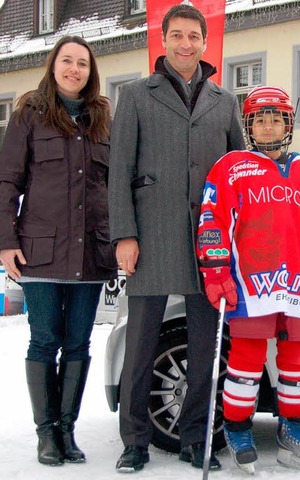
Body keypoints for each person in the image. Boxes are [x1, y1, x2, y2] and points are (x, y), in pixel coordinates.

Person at [108, 4, 245, 474]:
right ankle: (135, 442)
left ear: (206, 43)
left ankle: (194, 437)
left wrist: (239, 235)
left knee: (206, 348)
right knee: (141, 347)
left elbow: (239, 174)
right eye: (177, 36)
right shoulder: (134, 95)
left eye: (194, 36)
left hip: (210, 244)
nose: (186, 44)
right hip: (151, 238)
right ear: (163, 40)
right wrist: (124, 234)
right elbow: (119, 173)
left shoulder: (225, 101)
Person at [197, 85, 300, 474]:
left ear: (288, 124)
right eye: (258, 119)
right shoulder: (231, 166)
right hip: (252, 283)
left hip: (296, 281)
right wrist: (216, 270)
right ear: (248, 125)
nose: (267, 125)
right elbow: (212, 221)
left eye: (275, 118)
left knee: (299, 359)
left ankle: (290, 429)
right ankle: (238, 429)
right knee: (246, 358)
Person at [0, 36, 116, 466]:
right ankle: (45, 433)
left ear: (90, 71)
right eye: (66, 61)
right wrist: (5, 241)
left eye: (82, 63)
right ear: (53, 66)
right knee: (45, 341)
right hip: (40, 252)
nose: (74, 69)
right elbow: (7, 182)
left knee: (79, 343)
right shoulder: (29, 114)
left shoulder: (103, 118)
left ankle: (67, 431)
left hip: (90, 252)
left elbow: (115, 185)